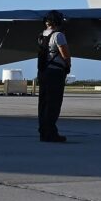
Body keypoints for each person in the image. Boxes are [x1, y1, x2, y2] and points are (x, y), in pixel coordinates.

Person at [37, 11, 71, 142]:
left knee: (43, 103)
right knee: (54, 104)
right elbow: (65, 54)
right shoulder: (58, 36)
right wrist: (68, 65)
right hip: (55, 73)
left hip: (43, 72)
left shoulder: (41, 35)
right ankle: (51, 132)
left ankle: (43, 132)